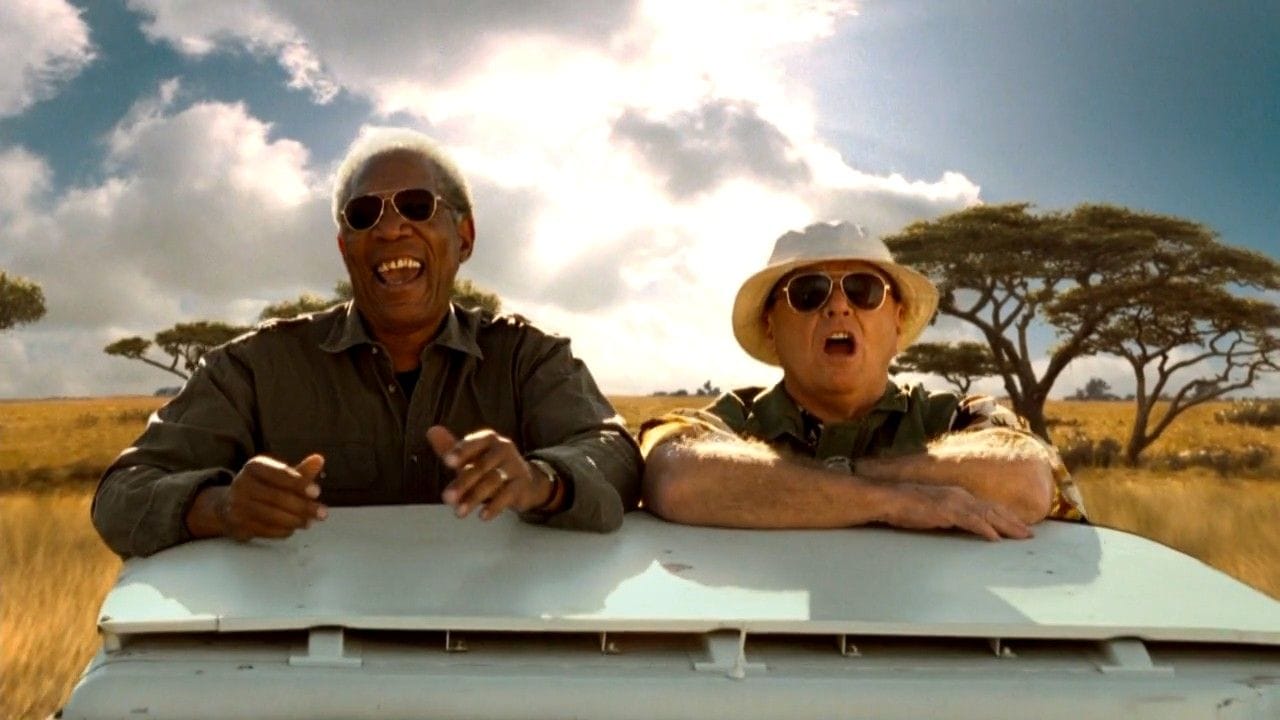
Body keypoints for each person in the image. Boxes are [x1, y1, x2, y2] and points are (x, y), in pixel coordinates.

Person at [93, 129, 641, 558]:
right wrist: (219, 507)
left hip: (499, 641)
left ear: (464, 237)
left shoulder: (528, 358)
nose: (390, 228)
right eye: (364, 215)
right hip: (303, 648)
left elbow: (615, 455)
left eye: (417, 206)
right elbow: (122, 492)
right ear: (345, 247)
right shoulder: (255, 367)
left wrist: (543, 481)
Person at [639, 221, 1085, 540]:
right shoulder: (733, 418)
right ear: (771, 324)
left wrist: (823, 482)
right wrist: (897, 500)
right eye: (808, 292)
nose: (838, 307)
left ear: (897, 319)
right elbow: (674, 478)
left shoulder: (958, 416)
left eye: (863, 290)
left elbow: (1028, 479)